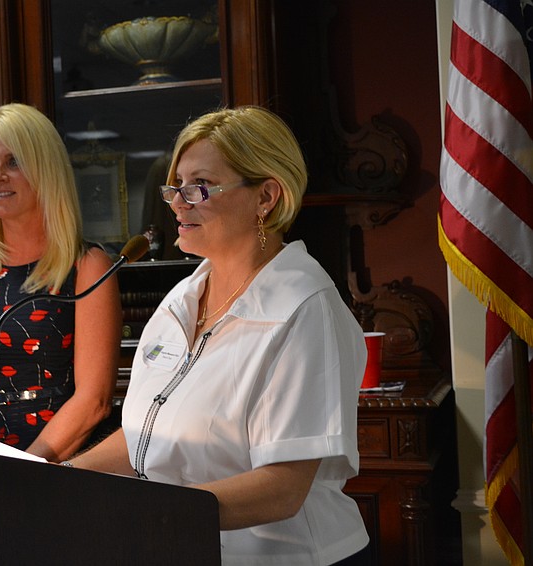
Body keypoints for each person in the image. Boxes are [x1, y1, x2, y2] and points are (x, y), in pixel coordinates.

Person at [65, 106, 370, 565]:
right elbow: (144, 437)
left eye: (199, 186)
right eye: (176, 186)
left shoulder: (306, 310)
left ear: (266, 196)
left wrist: (151, 513)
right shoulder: (180, 300)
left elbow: (282, 487)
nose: (177, 203)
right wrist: (63, 477)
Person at [0, 103, 122, 462]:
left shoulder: (88, 266)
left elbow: (93, 400)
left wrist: (26, 469)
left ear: (46, 171)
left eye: (13, 162)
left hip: (60, 462)